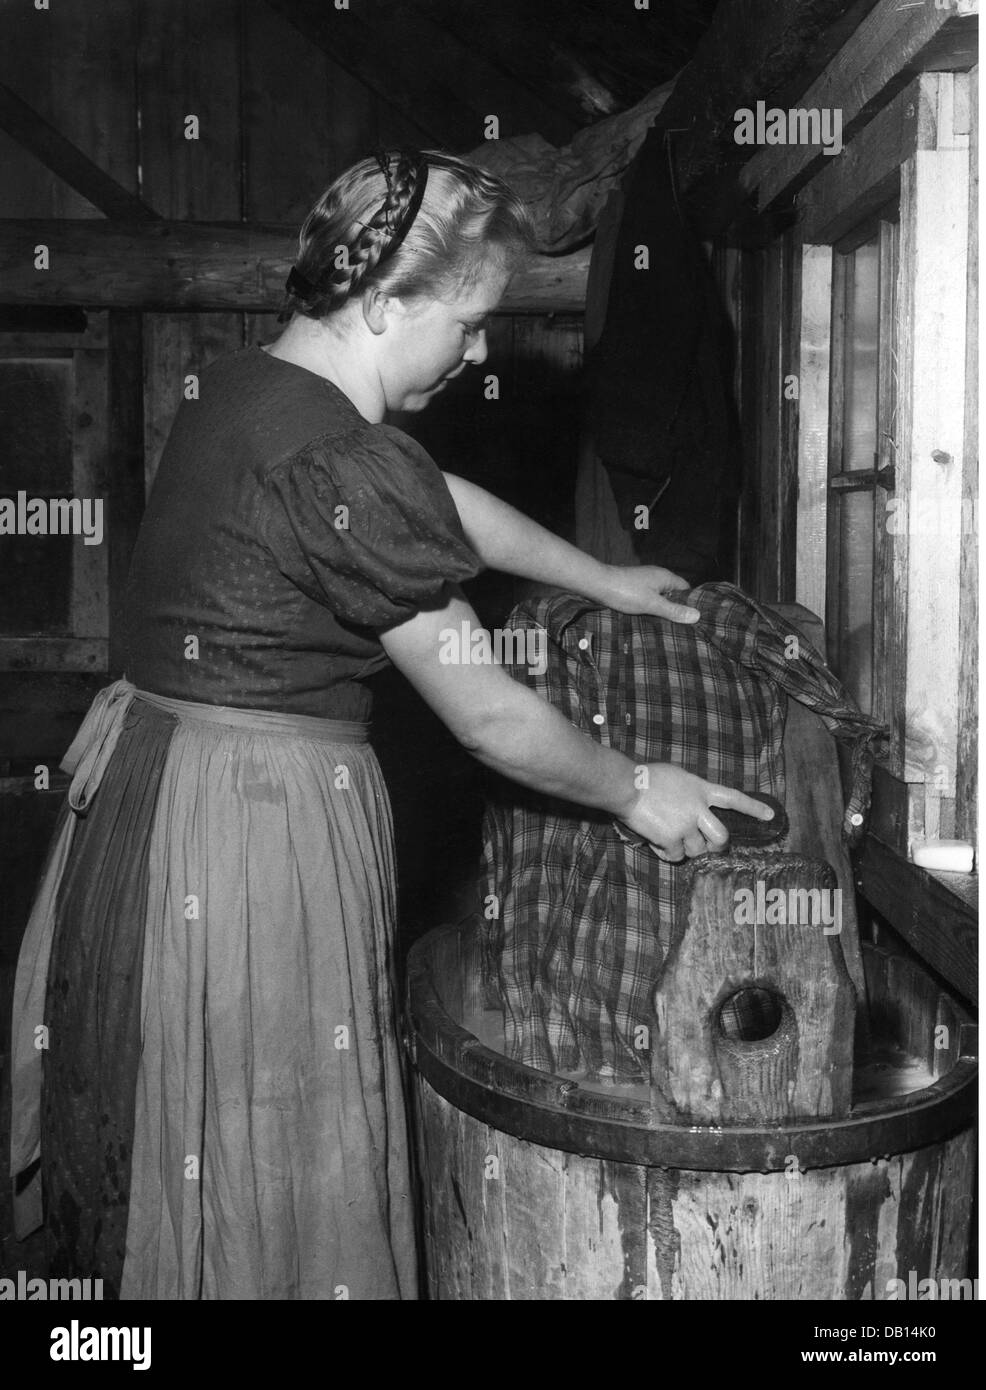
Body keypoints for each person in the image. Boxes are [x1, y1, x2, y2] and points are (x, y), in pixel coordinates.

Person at [9, 149, 772, 1301]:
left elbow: (434, 500)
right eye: (467, 325)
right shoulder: (336, 459)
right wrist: (633, 787)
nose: (477, 354)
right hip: (249, 834)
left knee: (166, 1140)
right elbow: (486, 713)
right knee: (265, 1164)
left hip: (145, 792)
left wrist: (605, 580)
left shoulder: (249, 388)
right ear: (388, 302)